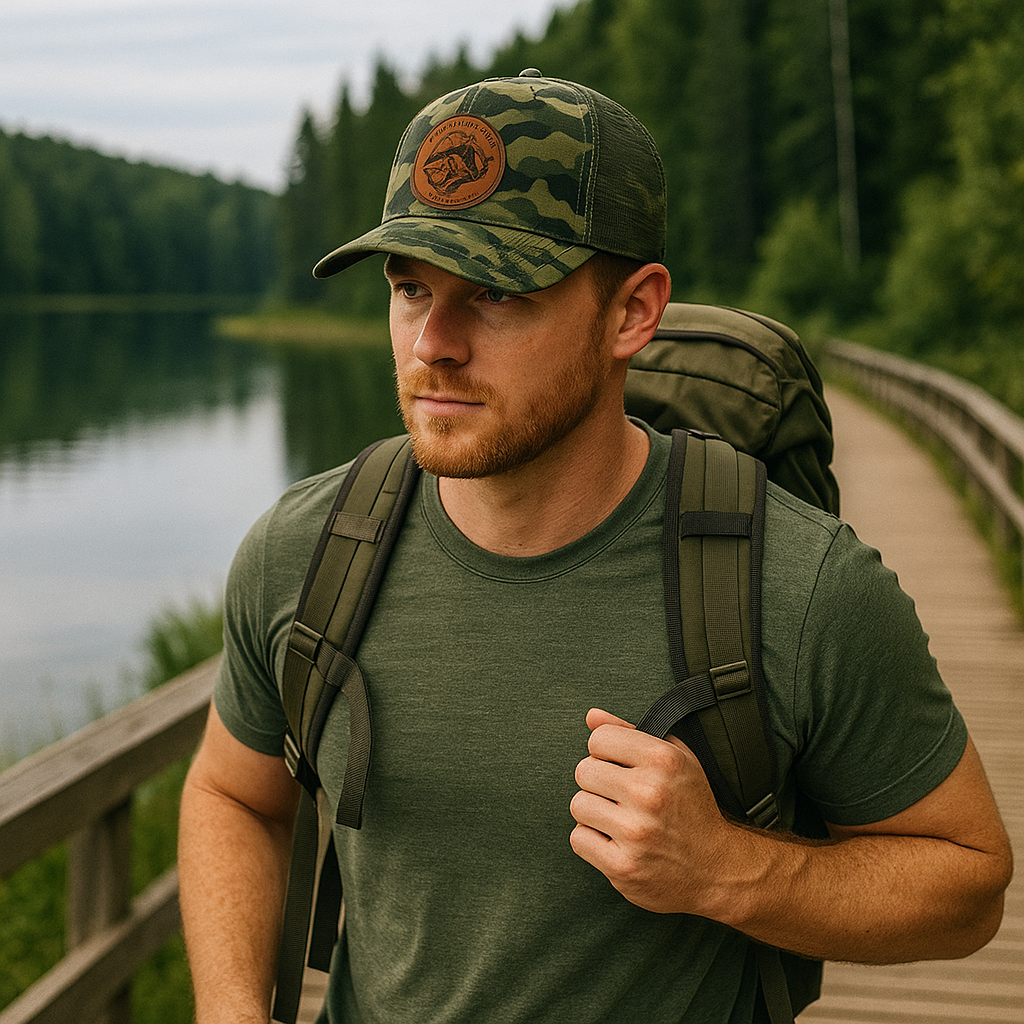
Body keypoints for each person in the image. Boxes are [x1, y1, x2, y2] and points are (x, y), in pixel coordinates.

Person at [178, 71, 1012, 1024]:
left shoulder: (799, 586)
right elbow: (234, 795)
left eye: (496, 291)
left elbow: (967, 884)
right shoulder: (305, 552)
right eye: (411, 289)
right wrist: (230, 1011)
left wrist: (727, 870)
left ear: (632, 313)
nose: (433, 343)